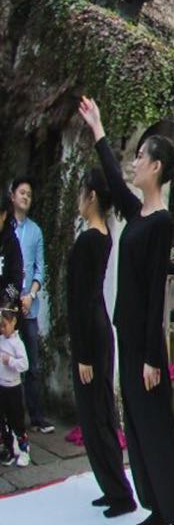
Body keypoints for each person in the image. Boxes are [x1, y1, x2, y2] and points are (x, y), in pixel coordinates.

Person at [79, 98, 174, 525]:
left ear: (157, 167)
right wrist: (98, 128)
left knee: (156, 429)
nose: (135, 162)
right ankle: (155, 507)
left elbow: (154, 294)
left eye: (142, 156)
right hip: (125, 334)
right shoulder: (137, 213)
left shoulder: (160, 222)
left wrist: (150, 356)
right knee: (138, 429)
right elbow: (112, 175)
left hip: (145, 345)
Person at [67, 168, 135, 515]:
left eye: (82, 191)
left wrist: (82, 354)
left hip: (91, 336)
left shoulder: (91, 239)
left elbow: (81, 299)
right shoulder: (102, 235)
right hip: (96, 330)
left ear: (91, 196)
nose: (79, 198)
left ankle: (120, 492)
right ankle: (113, 487)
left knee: (97, 416)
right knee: (98, 415)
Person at [9, 179, 50, 433]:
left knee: (32, 364)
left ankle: (36, 417)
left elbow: (39, 269)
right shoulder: (5, 227)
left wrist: (31, 295)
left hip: (29, 306)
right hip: (8, 305)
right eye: (22, 192)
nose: (26, 197)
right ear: (12, 196)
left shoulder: (36, 231)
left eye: (29, 194)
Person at [0, 300, 30, 465]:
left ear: (13, 322)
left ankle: (24, 450)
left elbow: (24, 365)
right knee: (3, 421)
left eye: (5, 325)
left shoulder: (18, 344)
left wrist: (10, 361)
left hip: (14, 388)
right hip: (1, 386)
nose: (2, 329)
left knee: (17, 420)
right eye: (0, 326)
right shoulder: (1, 340)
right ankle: (9, 449)